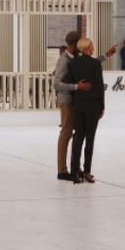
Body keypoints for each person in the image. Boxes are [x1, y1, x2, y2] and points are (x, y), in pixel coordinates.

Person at [63, 36, 106, 181]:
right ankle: (87, 171)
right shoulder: (95, 64)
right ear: (88, 47)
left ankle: (75, 172)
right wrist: (102, 106)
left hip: (78, 105)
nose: (93, 48)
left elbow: (67, 81)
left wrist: (77, 86)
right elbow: (99, 87)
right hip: (93, 105)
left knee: (78, 137)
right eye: (92, 46)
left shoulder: (73, 63)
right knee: (90, 138)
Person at [53, 30, 80, 181]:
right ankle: (62, 170)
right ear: (74, 44)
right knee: (66, 134)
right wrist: (75, 87)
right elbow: (56, 84)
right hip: (66, 102)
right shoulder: (63, 60)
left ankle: (71, 168)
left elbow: (90, 64)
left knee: (69, 134)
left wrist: (106, 56)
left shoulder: (75, 57)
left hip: (73, 101)